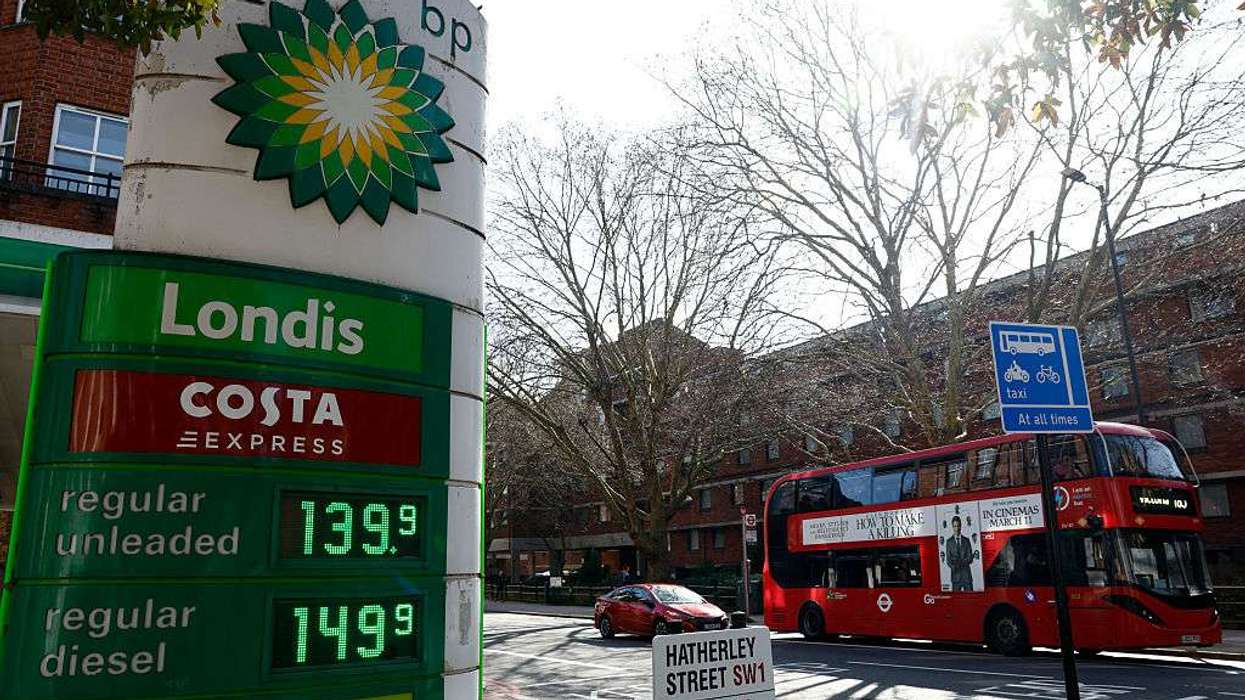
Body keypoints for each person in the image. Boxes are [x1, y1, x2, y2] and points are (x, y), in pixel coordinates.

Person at [945, 516, 975, 592]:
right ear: (952, 527)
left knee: (971, 600)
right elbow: (948, 560)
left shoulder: (966, 540)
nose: (957, 528)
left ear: (961, 526)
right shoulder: (949, 542)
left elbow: (970, 558)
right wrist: (954, 567)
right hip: (955, 577)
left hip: (967, 576)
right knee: (955, 602)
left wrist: (959, 563)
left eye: (958, 526)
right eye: (955, 526)